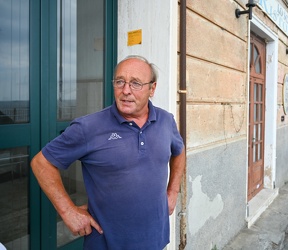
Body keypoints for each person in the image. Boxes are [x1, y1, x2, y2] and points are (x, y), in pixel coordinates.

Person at [31, 55, 186, 249]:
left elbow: (179, 151)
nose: (126, 90)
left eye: (136, 83)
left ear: (152, 88)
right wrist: (68, 211)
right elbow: (41, 163)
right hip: (107, 244)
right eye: (120, 81)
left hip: (156, 239)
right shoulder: (88, 127)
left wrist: (173, 191)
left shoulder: (166, 120)